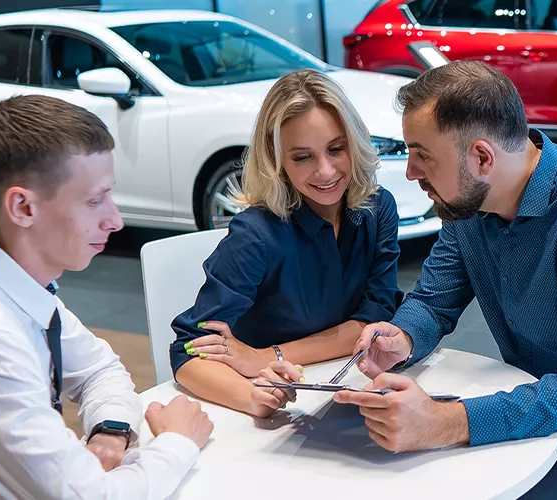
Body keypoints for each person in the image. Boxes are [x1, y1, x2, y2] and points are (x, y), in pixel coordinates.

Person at [0, 95, 261, 499]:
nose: (114, 220)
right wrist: (177, 443)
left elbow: (98, 369)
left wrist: (111, 431)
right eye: (95, 200)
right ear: (22, 208)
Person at [331, 61, 557, 499]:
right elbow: (432, 302)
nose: (411, 172)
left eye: (423, 154)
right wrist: (401, 337)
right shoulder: (468, 207)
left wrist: (449, 423)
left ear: (482, 157)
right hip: (541, 408)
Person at [168, 69, 405, 418]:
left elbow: (372, 319)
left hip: (346, 390)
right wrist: (252, 396)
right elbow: (187, 352)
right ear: (276, 160)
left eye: (336, 149)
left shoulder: (378, 208)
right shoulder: (255, 234)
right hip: (275, 404)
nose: (326, 171)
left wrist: (269, 354)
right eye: (302, 157)